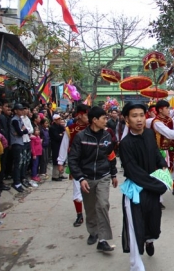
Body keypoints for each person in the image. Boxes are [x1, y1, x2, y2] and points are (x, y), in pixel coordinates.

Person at [119, 102, 168, 261]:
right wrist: (158, 185)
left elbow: (155, 152)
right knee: (136, 227)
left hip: (152, 189)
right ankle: (136, 263)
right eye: (134, 116)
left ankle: (150, 240)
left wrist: (162, 164)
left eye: (141, 115)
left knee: (153, 222)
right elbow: (133, 172)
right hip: (136, 191)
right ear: (127, 119)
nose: (139, 119)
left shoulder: (149, 134)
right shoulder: (125, 144)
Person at [69, 106, 118, 252]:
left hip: (103, 176)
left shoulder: (107, 136)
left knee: (102, 205)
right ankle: (93, 232)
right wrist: (80, 178)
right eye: (104, 118)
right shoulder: (81, 137)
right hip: (87, 178)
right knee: (90, 208)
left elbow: (110, 155)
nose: (106, 121)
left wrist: (114, 174)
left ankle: (102, 240)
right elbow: (73, 159)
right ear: (94, 120)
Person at [57, 104, 90, 227]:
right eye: (87, 115)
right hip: (76, 164)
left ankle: (92, 214)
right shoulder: (70, 129)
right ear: (80, 115)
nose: (89, 117)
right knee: (77, 190)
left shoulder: (94, 127)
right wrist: (60, 162)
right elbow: (64, 146)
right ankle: (79, 215)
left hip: (92, 164)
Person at [151, 100, 174, 196]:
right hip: (159, 152)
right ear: (160, 110)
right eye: (167, 108)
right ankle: (158, 199)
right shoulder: (156, 122)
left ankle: (172, 186)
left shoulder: (169, 120)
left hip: (169, 151)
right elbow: (170, 134)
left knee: (173, 171)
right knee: (160, 175)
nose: (169, 110)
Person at [10, 104, 29, 193]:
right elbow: (20, 132)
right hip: (16, 143)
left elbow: (26, 130)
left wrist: (22, 130)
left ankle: (20, 180)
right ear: (16, 111)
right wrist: (22, 131)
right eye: (20, 110)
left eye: (22, 109)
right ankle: (16, 182)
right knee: (17, 163)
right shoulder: (14, 120)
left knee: (21, 162)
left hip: (20, 142)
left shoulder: (20, 119)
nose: (22, 111)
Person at [49, 114, 65, 181]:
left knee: (62, 158)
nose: (59, 120)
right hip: (55, 145)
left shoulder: (60, 126)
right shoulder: (52, 127)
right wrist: (61, 135)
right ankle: (55, 176)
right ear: (55, 120)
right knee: (56, 160)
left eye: (60, 119)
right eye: (58, 119)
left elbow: (64, 133)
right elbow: (57, 137)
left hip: (60, 144)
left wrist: (61, 135)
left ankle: (60, 174)